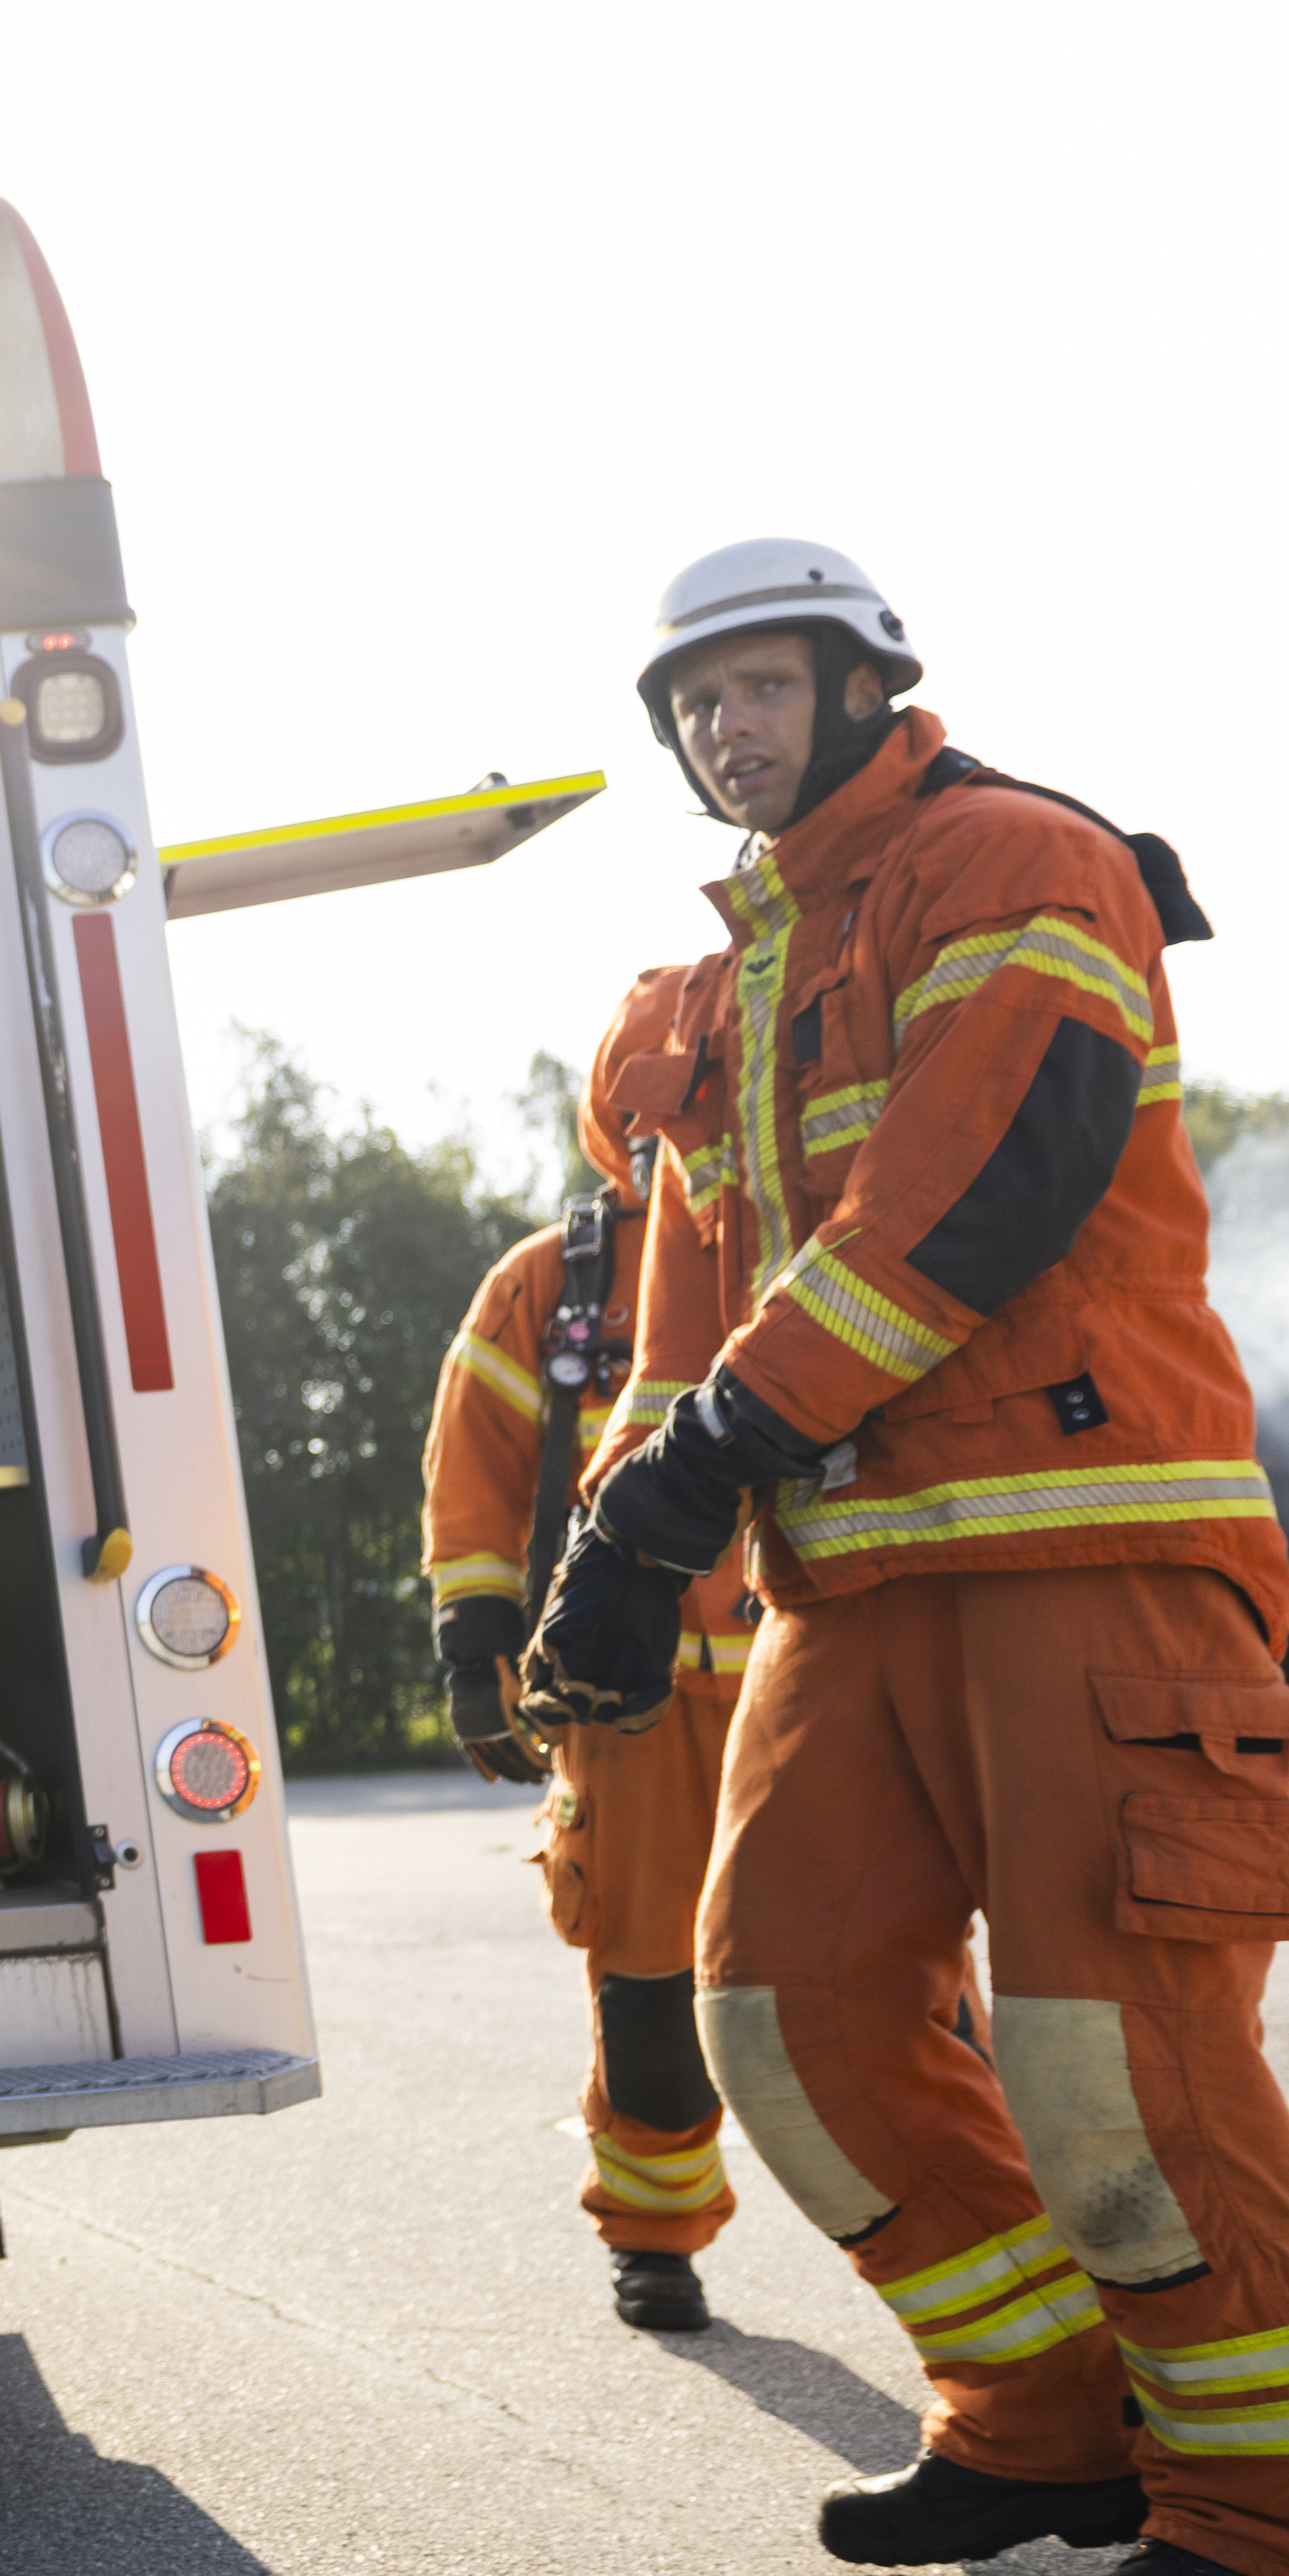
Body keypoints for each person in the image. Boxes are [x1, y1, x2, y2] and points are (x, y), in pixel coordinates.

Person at [526, 541, 1289, 2576]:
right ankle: (1040, 2421)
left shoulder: (1012, 859)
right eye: (690, 702)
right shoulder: (723, 992)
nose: (727, 725)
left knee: (1112, 2059)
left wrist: (706, 1463)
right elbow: (695, 1318)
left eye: (758, 682)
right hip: (850, 1576)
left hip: (1090, 1542)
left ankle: (1277, 2528)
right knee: (776, 2026)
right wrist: (622, 1563)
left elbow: (964, 1196)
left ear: (862, 673)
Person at [417, 966, 754, 2332]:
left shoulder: (815, 1236)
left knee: (898, 1971)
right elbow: (476, 1479)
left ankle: (993, 2266)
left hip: (824, 1661)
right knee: (647, 1973)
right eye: (656, 1114)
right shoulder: (556, 1283)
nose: (677, 1138)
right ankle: (656, 2230)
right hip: (635, 1691)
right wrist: (475, 1653)